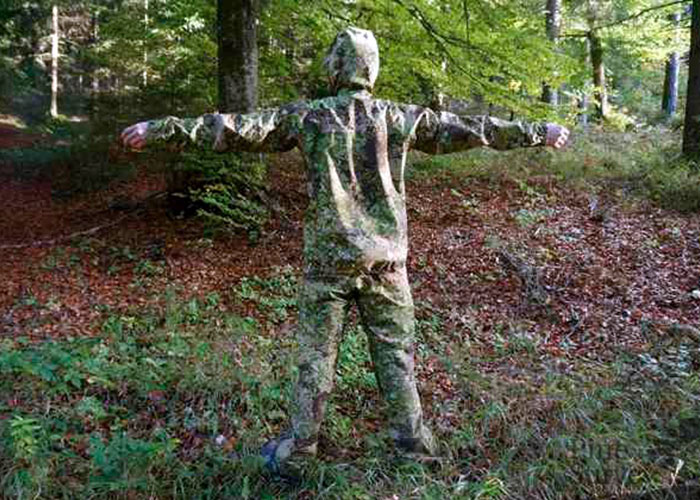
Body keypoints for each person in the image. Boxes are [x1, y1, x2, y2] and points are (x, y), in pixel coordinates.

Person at [122, 27, 570, 471]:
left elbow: (234, 128)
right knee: (397, 358)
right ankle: (414, 450)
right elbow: (473, 128)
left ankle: (301, 454)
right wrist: (539, 131)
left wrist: (158, 130)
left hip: (329, 265)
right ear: (371, 69)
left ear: (335, 69)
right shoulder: (399, 117)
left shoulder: (310, 117)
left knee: (315, 361)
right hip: (386, 264)